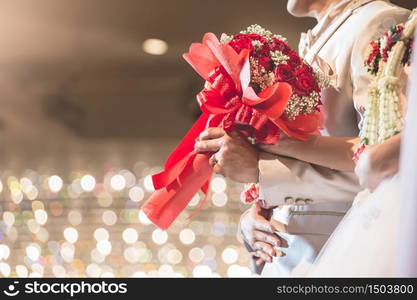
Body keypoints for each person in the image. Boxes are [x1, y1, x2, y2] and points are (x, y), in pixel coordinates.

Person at [194, 0, 409, 276]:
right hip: (291, 260)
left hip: (341, 256)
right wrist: (262, 212)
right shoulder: (326, 35)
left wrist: (263, 168)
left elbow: (393, 167)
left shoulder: (379, 23)